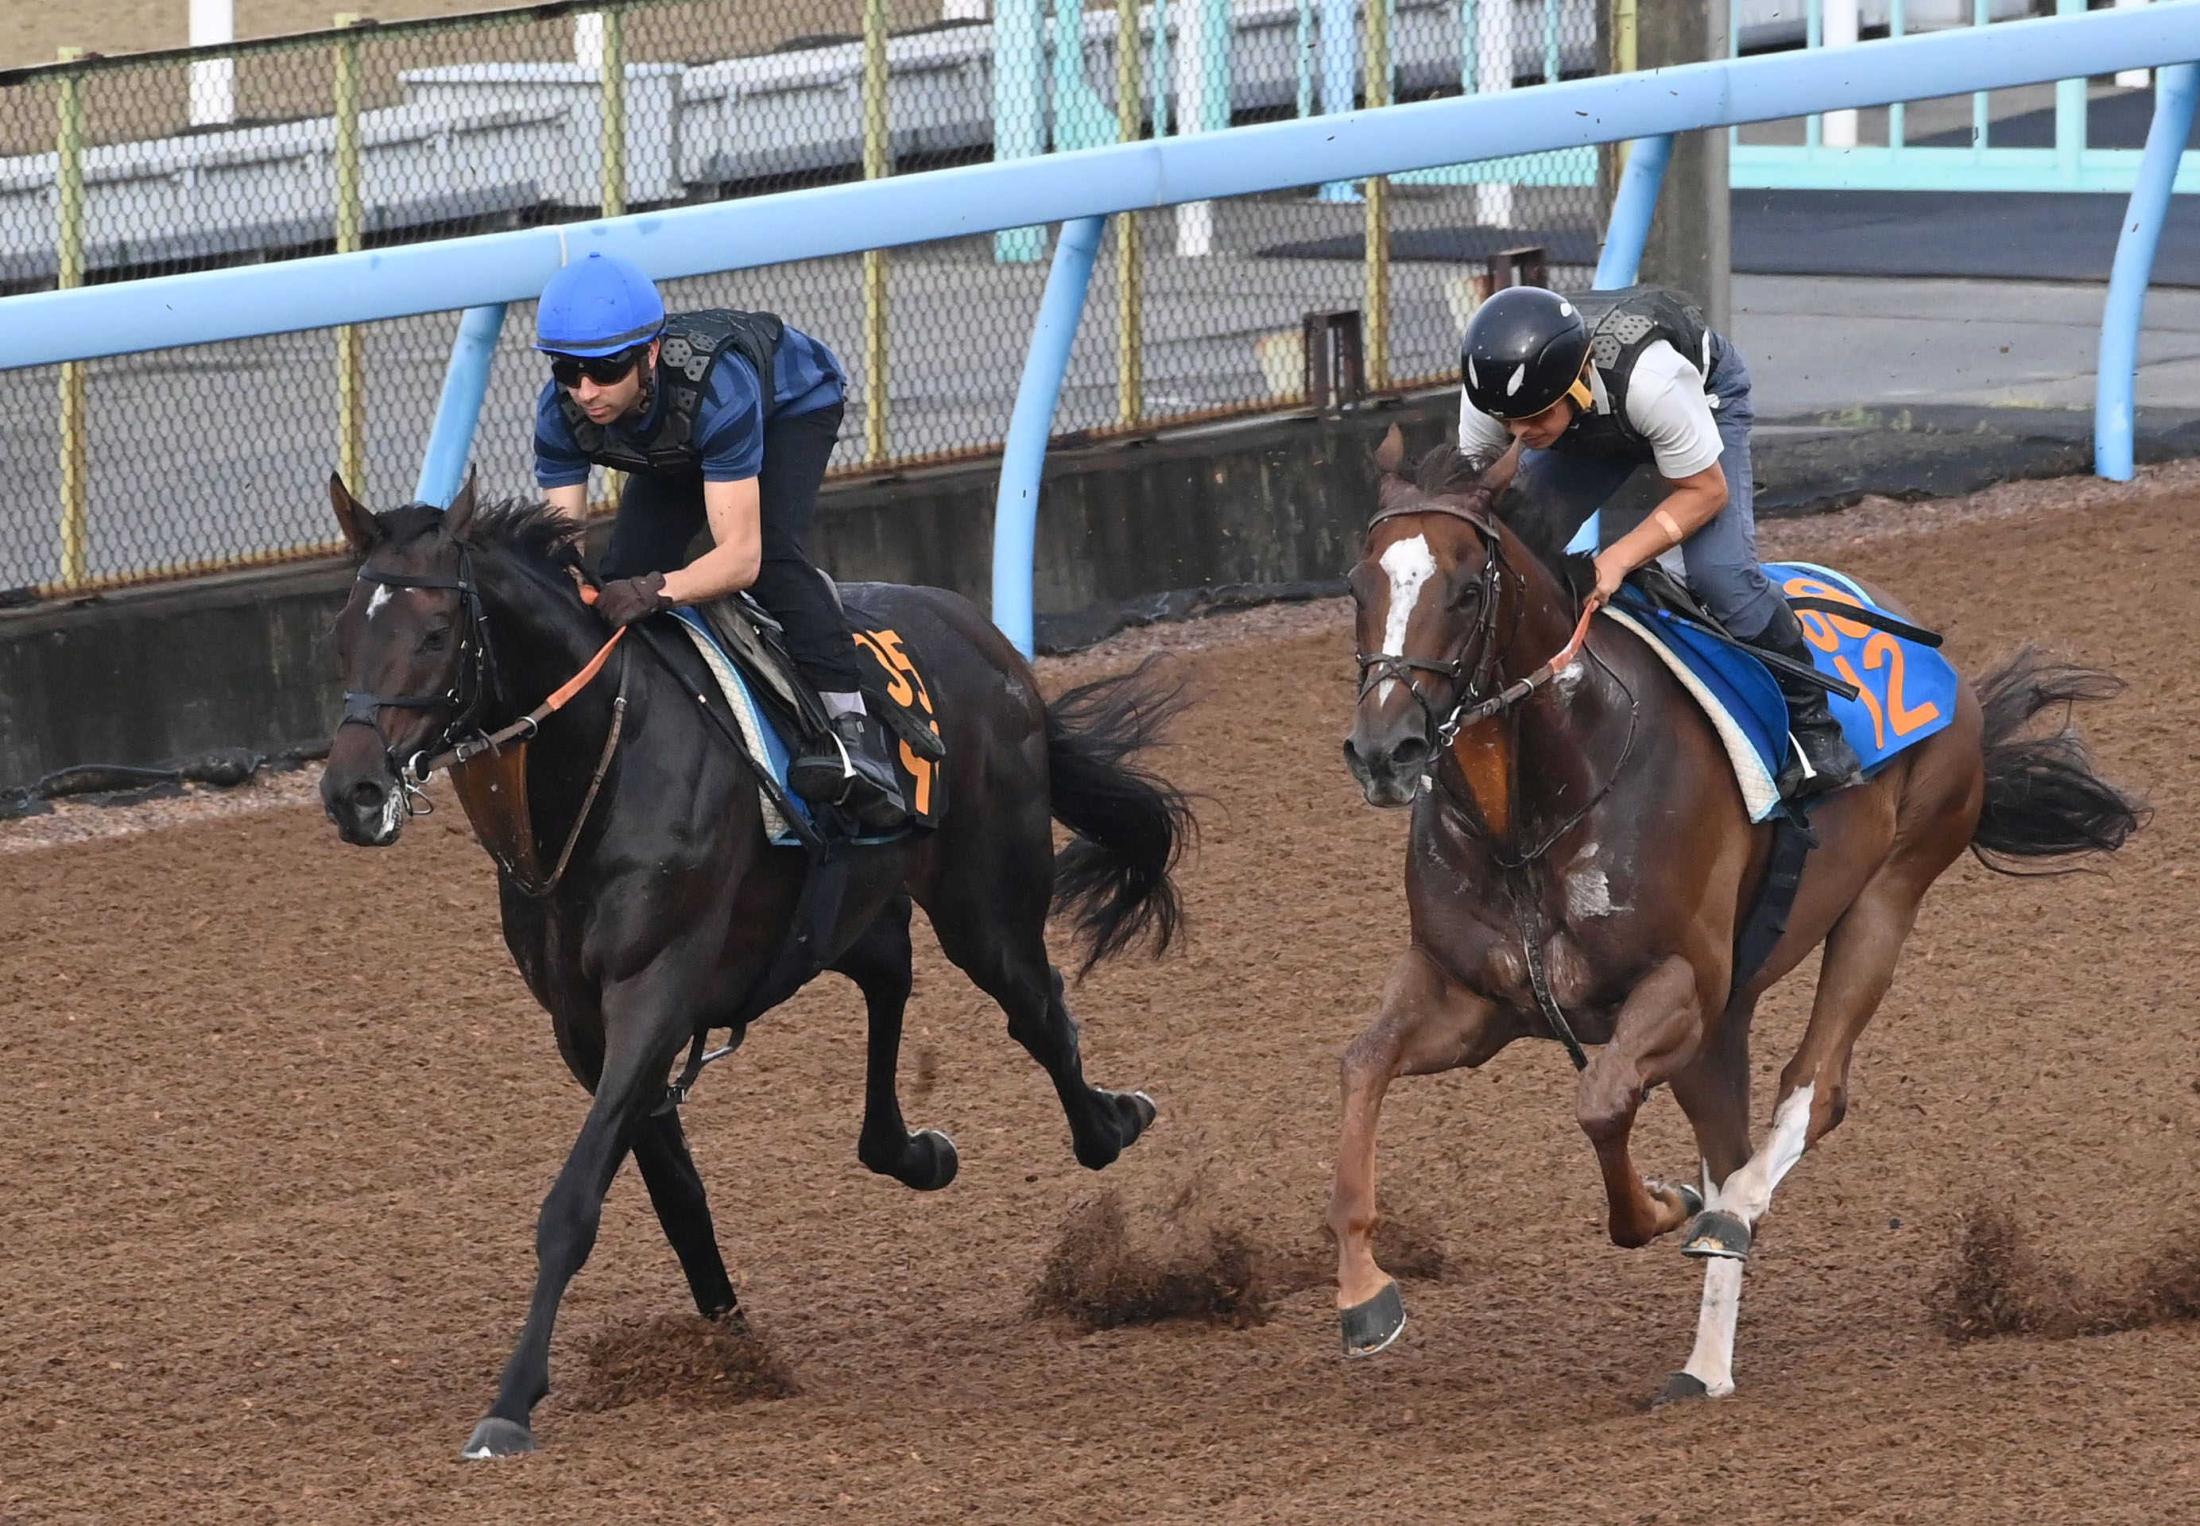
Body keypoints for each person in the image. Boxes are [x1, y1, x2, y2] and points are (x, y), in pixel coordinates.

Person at [530, 250, 905, 831]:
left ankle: (855, 735)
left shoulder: (720, 392)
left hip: (789, 406)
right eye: (566, 371)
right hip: (676, 440)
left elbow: (740, 557)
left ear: (649, 354)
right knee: (620, 570)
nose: (584, 392)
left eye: (604, 371)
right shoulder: (559, 413)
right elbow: (564, 550)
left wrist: (659, 589)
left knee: (774, 559)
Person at [1458, 282, 1862, 799]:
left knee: (1721, 576)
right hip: (1590, 426)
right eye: (1507, 422)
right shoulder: (1492, 397)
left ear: (1580, 380)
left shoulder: (1654, 381)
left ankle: (1815, 728)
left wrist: (1619, 558)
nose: (1521, 431)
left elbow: (1705, 491)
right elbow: (1476, 506)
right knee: (1510, 548)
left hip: (1701, 404)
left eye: (1535, 417)